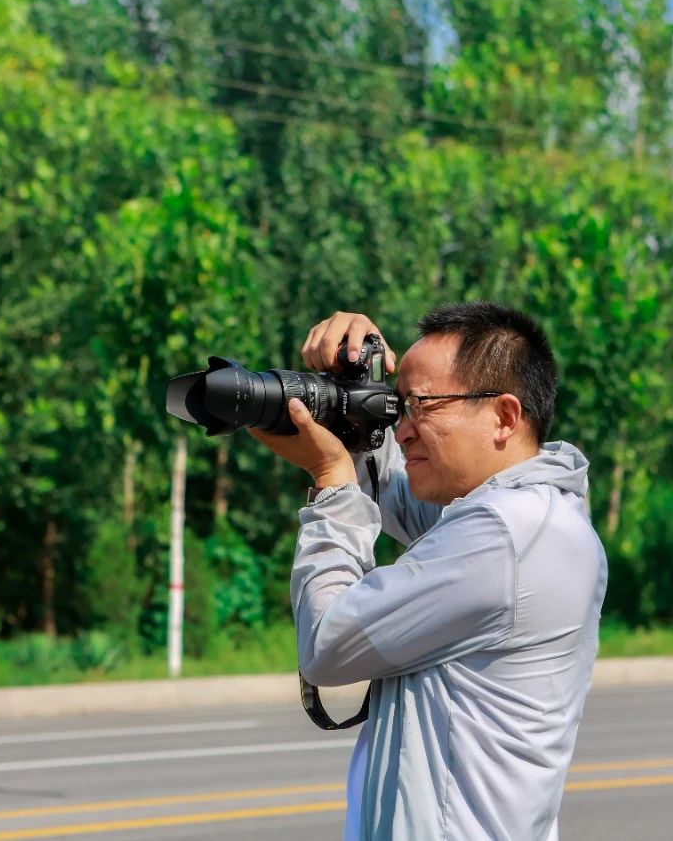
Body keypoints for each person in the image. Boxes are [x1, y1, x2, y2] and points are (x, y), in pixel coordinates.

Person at [249, 302, 608, 840]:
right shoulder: (534, 517)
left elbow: (327, 644)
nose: (402, 430)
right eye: (396, 408)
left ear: (504, 417)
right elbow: (395, 488)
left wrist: (330, 478)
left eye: (421, 406)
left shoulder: (505, 534)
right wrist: (346, 396)